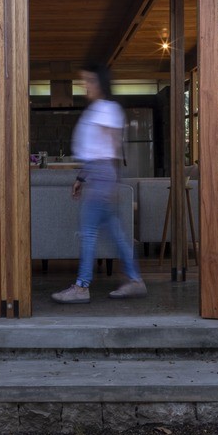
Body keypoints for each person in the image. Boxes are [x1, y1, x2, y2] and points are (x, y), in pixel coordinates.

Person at [51, 64, 147, 304]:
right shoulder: (98, 110)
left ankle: (82, 287)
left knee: (89, 233)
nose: (85, 86)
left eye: (89, 81)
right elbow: (95, 151)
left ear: (101, 84)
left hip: (102, 178)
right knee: (114, 233)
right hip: (97, 176)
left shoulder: (105, 109)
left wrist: (108, 183)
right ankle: (135, 280)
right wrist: (81, 178)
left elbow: (111, 148)